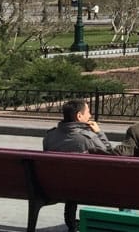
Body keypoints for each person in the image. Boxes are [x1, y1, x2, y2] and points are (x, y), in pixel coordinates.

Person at [43, 99, 115, 231]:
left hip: (53, 186)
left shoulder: (50, 136)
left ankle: (70, 222)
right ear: (79, 116)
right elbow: (110, 153)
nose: (90, 115)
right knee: (75, 180)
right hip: (86, 187)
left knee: (70, 178)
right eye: (88, 112)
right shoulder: (87, 137)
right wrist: (99, 132)